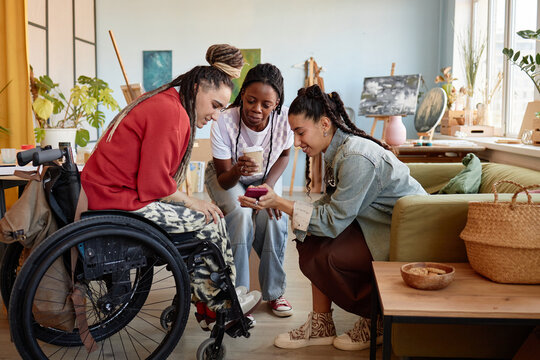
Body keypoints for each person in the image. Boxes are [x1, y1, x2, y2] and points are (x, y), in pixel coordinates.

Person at [81, 44, 261, 330]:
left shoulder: (168, 102)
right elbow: (154, 184)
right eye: (215, 106)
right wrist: (193, 202)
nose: (216, 116)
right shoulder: (171, 113)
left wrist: (191, 201)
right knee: (210, 221)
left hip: (111, 192)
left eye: (221, 110)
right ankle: (218, 306)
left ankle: (218, 300)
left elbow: (155, 180)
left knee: (211, 217)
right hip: (117, 200)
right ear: (198, 87)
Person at [238, 84, 427, 350]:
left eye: (301, 132)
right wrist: (281, 205)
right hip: (374, 224)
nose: (296, 142)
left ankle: (377, 318)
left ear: (325, 124)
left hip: (402, 235)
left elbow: (333, 220)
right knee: (310, 240)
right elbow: (329, 206)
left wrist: (282, 202)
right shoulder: (336, 150)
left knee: (328, 253)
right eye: (294, 133)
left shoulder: (356, 157)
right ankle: (322, 325)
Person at [205, 63, 294, 318]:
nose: (257, 109)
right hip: (227, 175)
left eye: (266, 105)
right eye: (251, 100)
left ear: (276, 104)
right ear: (242, 93)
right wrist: (238, 170)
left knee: (276, 217)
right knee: (241, 214)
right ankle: (238, 294)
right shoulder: (224, 120)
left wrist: (269, 187)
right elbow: (224, 180)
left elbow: (286, 154)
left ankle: (274, 293)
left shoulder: (284, 121)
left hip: (263, 179)